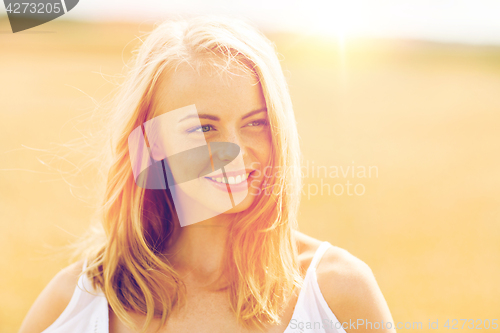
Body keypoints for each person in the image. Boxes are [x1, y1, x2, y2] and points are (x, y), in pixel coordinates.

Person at [19, 16, 396, 333]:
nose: (233, 151)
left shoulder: (338, 293)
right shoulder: (77, 302)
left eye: (255, 123)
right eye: (203, 128)